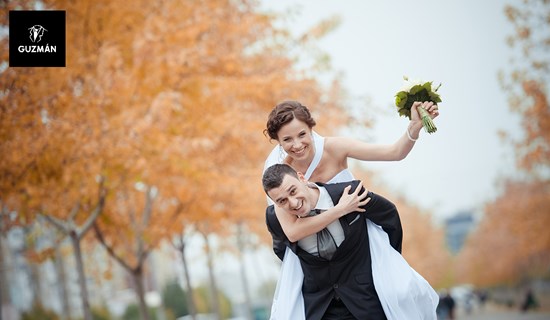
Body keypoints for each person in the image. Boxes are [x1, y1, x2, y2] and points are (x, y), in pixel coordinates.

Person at [263, 100, 439, 319]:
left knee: (400, 292)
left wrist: (414, 127)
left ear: (311, 129)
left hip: (357, 237)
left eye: (302, 134)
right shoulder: (282, 176)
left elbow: (394, 152)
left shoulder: (336, 147)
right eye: (287, 140)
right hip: (317, 257)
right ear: (278, 143)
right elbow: (291, 232)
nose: (297, 145)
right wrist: (340, 210)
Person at [263, 163, 403, 319]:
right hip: (319, 309)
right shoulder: (275, 220)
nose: (293, 203)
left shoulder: (350, 194)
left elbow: (390, 217)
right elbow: (284, 252)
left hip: (366, 301)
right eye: (282, 201)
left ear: (302, 178)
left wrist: (389, 265)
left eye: (293, 191)